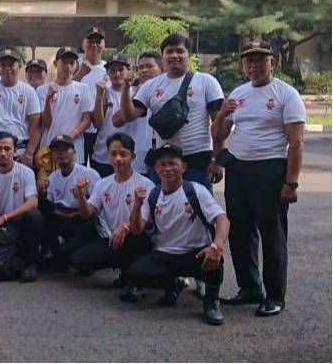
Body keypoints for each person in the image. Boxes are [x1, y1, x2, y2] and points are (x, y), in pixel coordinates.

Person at [211, 40, 305, 316]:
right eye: (249, 61)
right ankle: (250, 288)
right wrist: (221, 116)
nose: (254, 65)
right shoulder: (238, 93)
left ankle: (275, 295)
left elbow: (296, 142)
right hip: (239, 169)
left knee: (272, 234)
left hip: (271, 170)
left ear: (272, 63)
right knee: (240, 232)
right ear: (242, 65)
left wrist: (291, 182)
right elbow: (219, 134)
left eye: (260, 60)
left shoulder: (286, 94)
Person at [124, 144, 231, 325]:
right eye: (162, 164)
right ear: (156, 169)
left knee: (214, 261)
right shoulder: (153, 194)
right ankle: (172, 285)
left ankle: (212, 302)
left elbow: (222, 219)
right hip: (165, 253)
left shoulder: (195, 190)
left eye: (172, 163)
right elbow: (136, 229)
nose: (167, 169)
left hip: (194, 253)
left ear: (183, 166)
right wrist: (136, 206)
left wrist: (217, 246)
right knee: (135, 273)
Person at [120, 34, 225, 190]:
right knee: (161, 209)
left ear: (189, 55)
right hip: (163, 162)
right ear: (163, 57)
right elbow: (128, 115)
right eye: (169, 52)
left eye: (179, 51)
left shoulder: (206, 81)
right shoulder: (151, 86)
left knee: (198, 209)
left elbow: (218, 125)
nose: (174, 55)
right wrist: (126, 87)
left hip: (196, 162)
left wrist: (217, 160)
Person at [70, 133, 154, 300]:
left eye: (123, 154)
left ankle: (135, 277)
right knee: (79, 260)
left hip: (136, 238)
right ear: (107, 156)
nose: (118, 159)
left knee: (136, 238)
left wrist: (125, 227)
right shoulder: (103, 184)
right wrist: (80, 195)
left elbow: (141, 226)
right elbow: (87, 213)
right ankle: (125, 268)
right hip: (112, 238)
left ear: (133, 157)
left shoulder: (145, 184)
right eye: (113, 154)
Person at [0, 132, 42, 282]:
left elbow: (32, 202)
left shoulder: (26, 172)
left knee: (34, 217)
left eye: (7, 148)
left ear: (15, 150)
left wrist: (5, 217)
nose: (3, 153)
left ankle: (30, 265)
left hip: (17, 220)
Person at [38, 134, 100, 270]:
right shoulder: (53, 177)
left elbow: (97, 208)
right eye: (57, 150)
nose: (61, 153)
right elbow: (50, 208)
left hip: (83, 223)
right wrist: (42, 194)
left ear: (74, 152)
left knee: (73, 258)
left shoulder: (89, 174)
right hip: (63, 221)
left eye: (66, 149)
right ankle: (54, 253)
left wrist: (81, 195)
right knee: (39, 214)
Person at [38, 47, 93, 165]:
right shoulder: (43, 90)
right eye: (64, 62)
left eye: (72, 62)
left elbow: (86, 120)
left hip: (74, 150)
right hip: (49, 150)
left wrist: (68, 138)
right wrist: (48, 100)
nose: (68, 66)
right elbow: (46, 123)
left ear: (76, 65)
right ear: (55, 63)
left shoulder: (84, 89)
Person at [112, 51, 161, 174]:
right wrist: (133, 92)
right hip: (138, 159)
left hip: (162, 158)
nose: (144, 70)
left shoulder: (168, 89)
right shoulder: (131, 91)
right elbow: (117, 121)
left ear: (162, 68)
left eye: (149, 66)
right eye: (141, 67)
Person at [89, 54, 131, 178]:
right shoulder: (103, 92)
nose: (117, 74)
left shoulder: (136, 92)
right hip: (103, 155)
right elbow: (97, 123)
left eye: (121, 70)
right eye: (112, 71)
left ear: (128, 71)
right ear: (107, 73)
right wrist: (99, 96)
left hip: (128, 154)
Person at [74, 27, 108, 165]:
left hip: (100, 129)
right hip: (77, 127)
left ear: (104, 45)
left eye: (98, 41)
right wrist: (81, 72)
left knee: (97, 169)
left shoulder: (109, 69)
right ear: (83, 44)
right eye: (90, 41)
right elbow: (65, 89)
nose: (94, 45)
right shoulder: (73, 64)